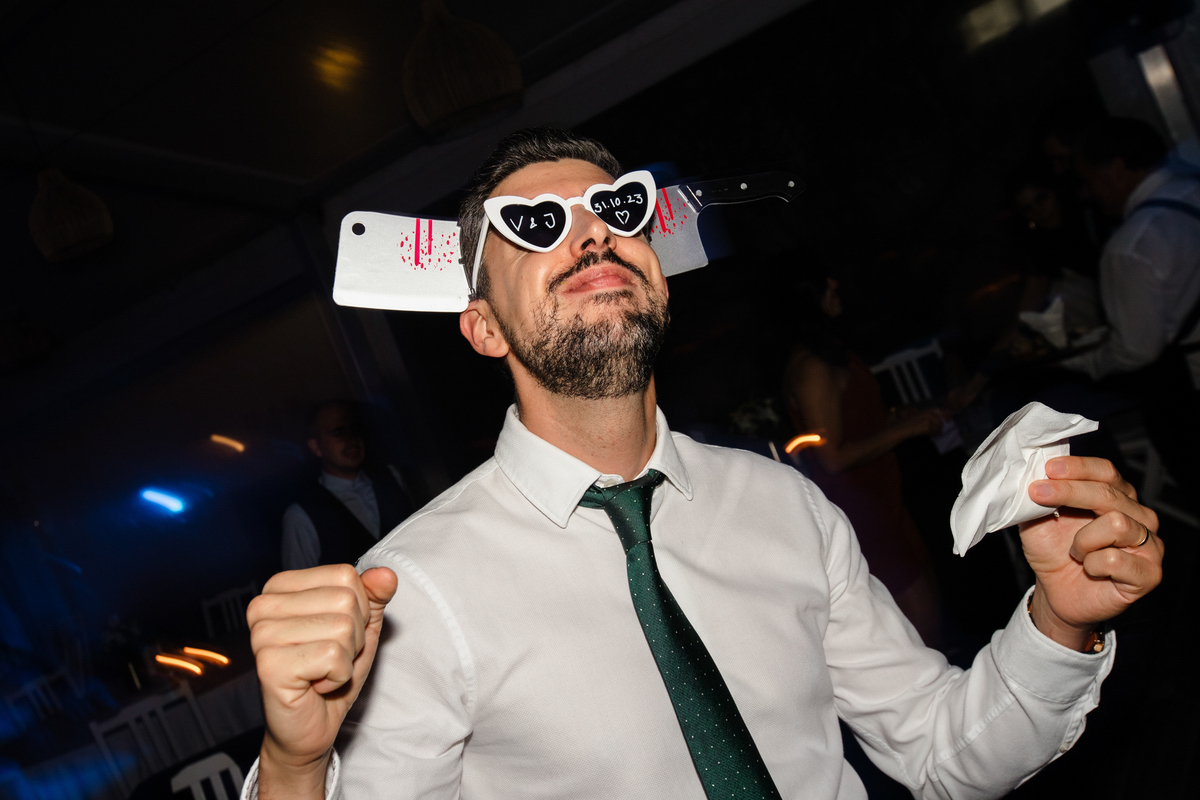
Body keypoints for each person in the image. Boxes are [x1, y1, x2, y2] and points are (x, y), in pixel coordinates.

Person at [246, 128, 1162, 800]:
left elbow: (939, 750)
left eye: (618, 209)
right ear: (484, 328)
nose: (590, 235)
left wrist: (1058, 623)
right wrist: (293, 768)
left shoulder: (786, 506)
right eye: (533, 225)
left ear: (659, 278)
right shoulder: (409, 592)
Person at [782, 275, 944, 645]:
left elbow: (852, 422)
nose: (836, 284)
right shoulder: (812, 367)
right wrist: (908, 429)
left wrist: (893, 419)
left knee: (928, 614)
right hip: (862, 511)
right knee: (921, 630)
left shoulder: (832, 353)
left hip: (884, 499)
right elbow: (832, 457)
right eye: (825, 282)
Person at [1061, 117, 1200, 500]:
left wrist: (1081, 361)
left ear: (1118, 171)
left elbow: (1136, 349)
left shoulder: (1131, 246)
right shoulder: (1193, 191)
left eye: (1089, 180)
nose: (1088, 194)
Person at [281, 399, 415, 570]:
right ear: (316, 447)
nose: (351, 439)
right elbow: (298, 581)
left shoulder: (391, 477)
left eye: (355, 429)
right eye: (338, 432)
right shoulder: (301, 516)